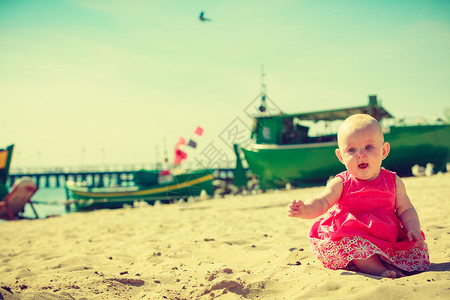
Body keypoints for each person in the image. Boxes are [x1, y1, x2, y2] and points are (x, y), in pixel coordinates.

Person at [288, 114, 430, 278]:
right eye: (352, 150)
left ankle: (384, 262)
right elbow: (322, 201)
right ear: (341, 156)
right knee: (357, 246)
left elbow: (406, 209)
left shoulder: (393, 181)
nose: (360, 154)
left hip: (384, 238)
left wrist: (413, 228)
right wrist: (306, 209)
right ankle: (376, 269)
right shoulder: (341, 183)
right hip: (351, 237)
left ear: (383, 151)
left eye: (368, 147)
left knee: (407, 250)